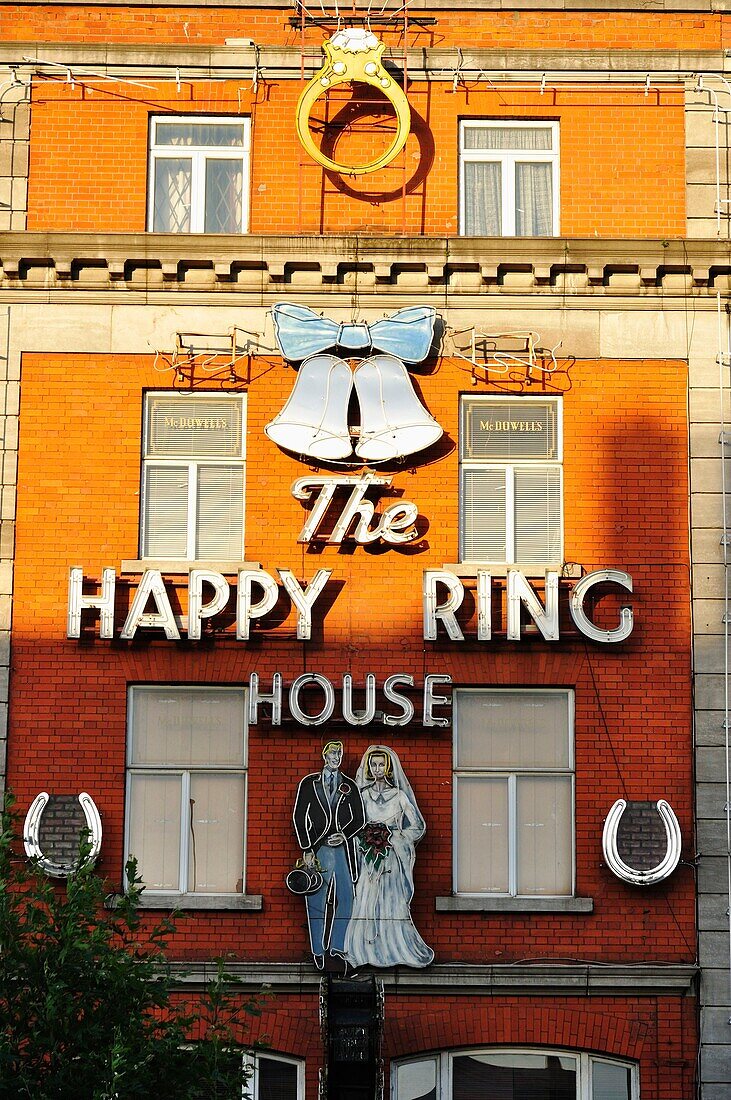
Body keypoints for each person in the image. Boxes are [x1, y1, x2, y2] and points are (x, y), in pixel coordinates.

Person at [344, 745, 434, 969]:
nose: (377, 768)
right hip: (368, 859)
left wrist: (394, 837)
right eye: (373, 764)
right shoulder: (364, 796)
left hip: (391, 858)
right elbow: (353, 826)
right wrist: (364, 839)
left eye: (381, 764)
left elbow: (418, 826)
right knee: (365, 898)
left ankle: (392, 947)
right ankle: (364, 949)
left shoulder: (399, 796)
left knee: (391, 901)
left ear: (389, 767)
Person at [292, 741, 365, 969]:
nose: (337, 757)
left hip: (342, 850)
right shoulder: (309, 783)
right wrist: (307, 849)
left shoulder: (349, 786)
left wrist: (345, 836)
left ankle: (336, 946)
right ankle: (317, 950)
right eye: (333, 753)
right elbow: (299, 817)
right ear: (325, 756)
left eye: (339, 754)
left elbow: (359, 819)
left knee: (347, 899)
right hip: (319, 848)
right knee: (316, 899)